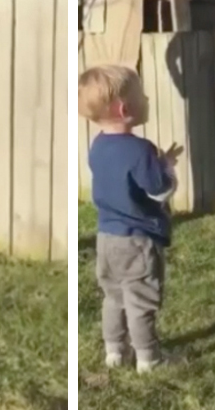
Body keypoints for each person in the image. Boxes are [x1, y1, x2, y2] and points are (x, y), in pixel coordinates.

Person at [78, 64, 182, 373]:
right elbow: (160, 192)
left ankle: (114, 350)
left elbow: (123, 177)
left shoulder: (97, 145)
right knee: (141, 301)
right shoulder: (140, 150)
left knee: (114, 296)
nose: (147, 98)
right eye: (143, 95)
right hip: (137, 240)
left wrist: (157, 161)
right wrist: (166, 169)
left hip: (106, 238)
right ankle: (149, 359)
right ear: (125, 108)